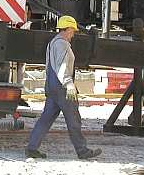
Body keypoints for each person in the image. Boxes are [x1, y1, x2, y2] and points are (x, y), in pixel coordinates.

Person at [25, 15, 101, 160]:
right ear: (68, 29)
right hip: (62, 87)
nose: (73, 34)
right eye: (73, 31)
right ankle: (82, 150)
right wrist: (69, 83)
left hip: (52, 86)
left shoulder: (53, 43)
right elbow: (62, 66)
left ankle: (32, 148)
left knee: (46, 119)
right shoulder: (62, 44)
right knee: (73, 119)